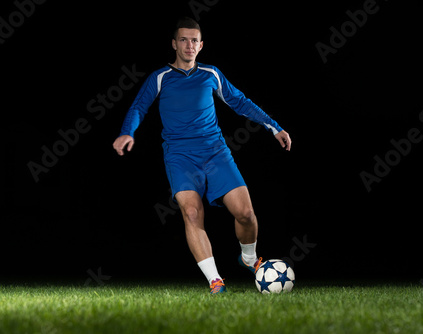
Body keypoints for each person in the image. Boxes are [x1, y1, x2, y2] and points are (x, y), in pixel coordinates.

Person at [113, 17, 291, 294]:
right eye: (183, 39)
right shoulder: (160, 78)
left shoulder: (211, 74)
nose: (189, 45)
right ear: (174, 43)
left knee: (245, 213)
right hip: (180, 156)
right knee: (193, 212)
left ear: (201, 45)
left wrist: (274, 127)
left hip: (215, 152)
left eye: (194, 40)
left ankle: (248, 259)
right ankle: (215, 280)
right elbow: (138, 107)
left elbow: (240, 102)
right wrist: (128, 132)